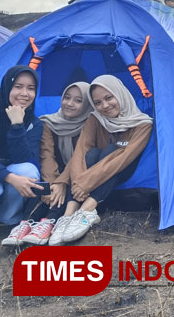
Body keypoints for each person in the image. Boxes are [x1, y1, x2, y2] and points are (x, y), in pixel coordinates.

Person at [48, 75, 153, 245]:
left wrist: (86, 183)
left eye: (109, 98)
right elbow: (80, 152)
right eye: (97, 102)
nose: (104, 106)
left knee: (114, 151)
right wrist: (77, 184)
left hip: (123, 170)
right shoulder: (95, 118)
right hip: (94, 175)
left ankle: (86, 210)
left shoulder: (143, 124)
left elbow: (124, 159)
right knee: (92, 154)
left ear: (120, 94)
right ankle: (69, 214)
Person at [2, 82, 94, 246]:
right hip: (54, 173)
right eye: (66, 97)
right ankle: (26, 223)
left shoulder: (92, 124)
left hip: (80, 174)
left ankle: (49, 222)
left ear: (87, 104)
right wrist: (52, 183)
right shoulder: (49, 122)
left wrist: (61, 182)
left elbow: (80, 157)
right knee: (43, 186)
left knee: (67, 189)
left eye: (78, 100)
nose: (69, 103)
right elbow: (47, 155)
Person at [0, 66, 44, 243]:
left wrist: (17, 125)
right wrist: (9, 177)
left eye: (31, 88)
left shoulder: (34, 123)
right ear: (7, 86)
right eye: (18, 86)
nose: (24, 93)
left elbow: (22, 158)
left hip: (7, 169)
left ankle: (7, 220)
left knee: (28, 171)